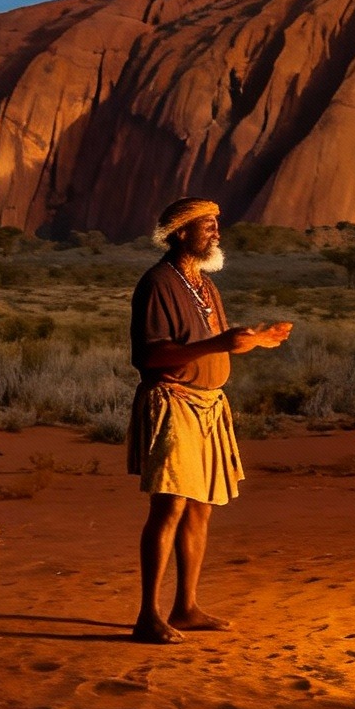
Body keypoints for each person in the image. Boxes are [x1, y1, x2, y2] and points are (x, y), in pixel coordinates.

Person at [127, 197, 292, 644]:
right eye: (208, 225)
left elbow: (214, 340)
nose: (217, 232)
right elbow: (150, 356)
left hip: (209, 406)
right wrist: (219, 344)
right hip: (174, 402)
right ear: (181, 232)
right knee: (170, 506)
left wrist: (256, 340)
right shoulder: (158, 283)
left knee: (200, 507)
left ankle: (186, 607)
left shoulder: (203, 283)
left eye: (217, 224)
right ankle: (148, 615)